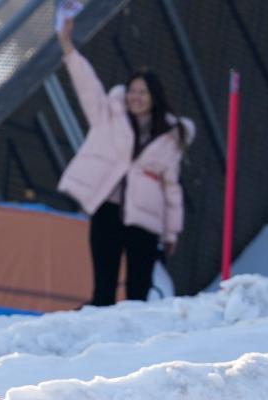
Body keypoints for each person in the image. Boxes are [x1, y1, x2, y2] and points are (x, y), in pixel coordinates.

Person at [56, 17, 195, 306]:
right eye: (132, 91)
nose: (135, 97)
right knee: (103, 289)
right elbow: (87, 87)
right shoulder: (108, 117)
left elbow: (172, 188)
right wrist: (68, 47)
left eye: (142, 92)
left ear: (154, 97)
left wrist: (171, 232)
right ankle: (95, 343)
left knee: (138, 295)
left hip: (145, 220)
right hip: (108, 210)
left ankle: (132, 348)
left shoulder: (170, 137)